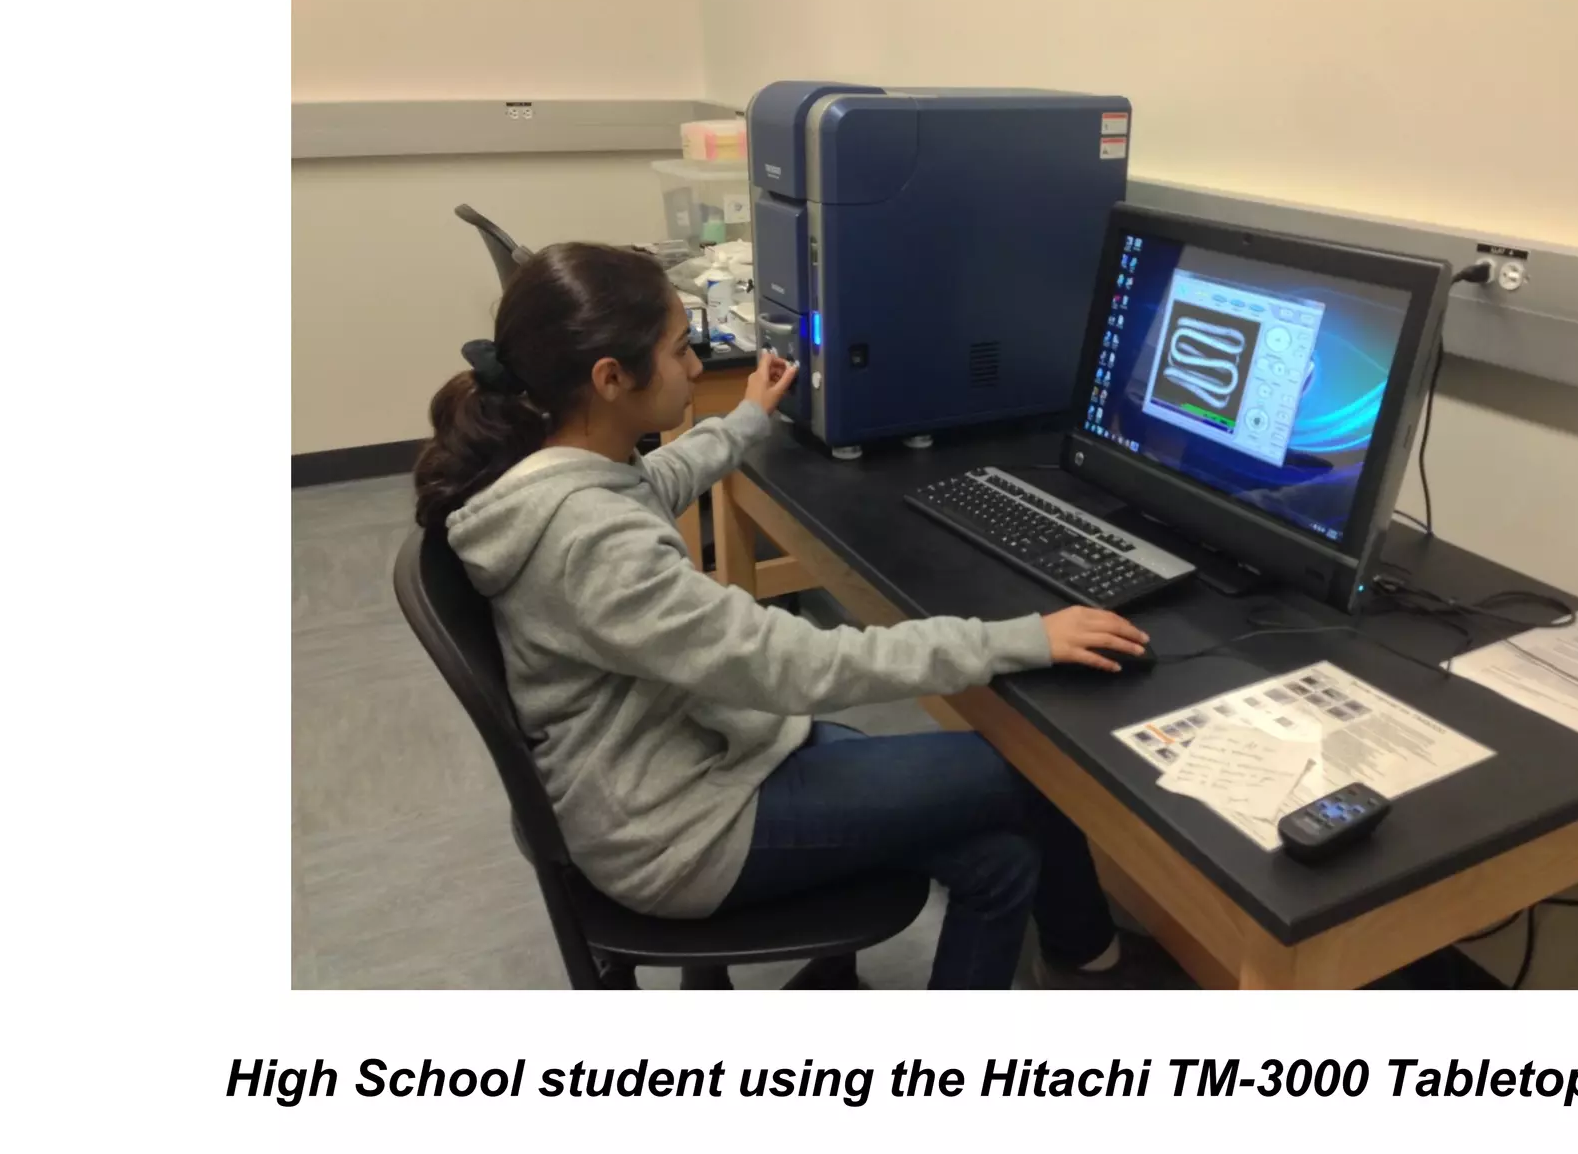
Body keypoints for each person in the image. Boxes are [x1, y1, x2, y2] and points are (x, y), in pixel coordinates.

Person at [414, 241, 1181, 988]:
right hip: (679, 830)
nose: (694, 366)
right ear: (611, 377)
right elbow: (798, 665)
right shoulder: (590, 539)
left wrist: (744, 421)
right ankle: (1091, 958)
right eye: (683, 349)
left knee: (1002, 861)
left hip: (678, 761)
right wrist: (1025, 636)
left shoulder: (555, 469)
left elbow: (652, 488)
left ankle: (1083, 957)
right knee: (1033, 772)